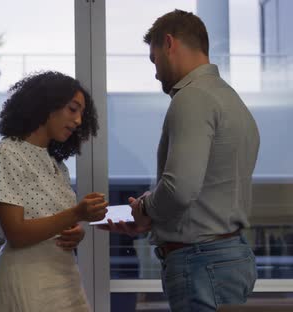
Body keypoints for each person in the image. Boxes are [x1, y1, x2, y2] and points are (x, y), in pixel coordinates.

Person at [97, 9, 260, 312]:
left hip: (201, 262)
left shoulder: (192, 98)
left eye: (154, 59)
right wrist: (149, 215)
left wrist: (144, 208)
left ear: (169, 43)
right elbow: (204, 190)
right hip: (224, 256)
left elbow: (180, 188)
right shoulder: (230, 99)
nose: (156, 71)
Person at [0, 71, 108, 311]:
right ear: (46, 105)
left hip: (63, 278)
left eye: (82, 113)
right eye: (73, 109)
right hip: (27, 280)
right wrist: (77, 213)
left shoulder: (56, 165)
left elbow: (51, 222)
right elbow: (16, 234)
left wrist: (75, 233)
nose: (79, 120)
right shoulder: (6, 153)